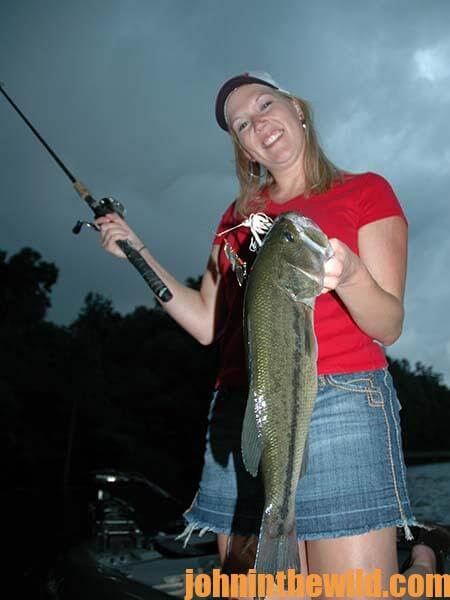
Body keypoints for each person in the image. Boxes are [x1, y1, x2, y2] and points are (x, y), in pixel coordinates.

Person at [96, 72, 450, 594]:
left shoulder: (366, 191)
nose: (258, 122)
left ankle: (424, 557)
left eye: (265, 104)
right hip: (244, 407)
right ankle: (423, 555)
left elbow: (388, 324)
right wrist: (136, 251)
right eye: (242, 123)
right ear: (242, 145)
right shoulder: (237, 217)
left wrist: (350, 276)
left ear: (297, 108)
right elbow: (204, 323)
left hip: (342, 399)